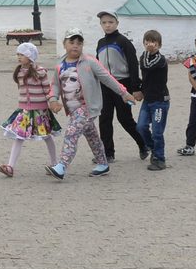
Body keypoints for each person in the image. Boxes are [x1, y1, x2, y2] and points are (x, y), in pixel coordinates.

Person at [46, 32, 137, 181]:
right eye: (72, 42)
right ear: (64, 44)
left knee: (72, 132)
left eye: (79, 43)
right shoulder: (60, 64)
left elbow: (107, 78)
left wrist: (124, 93)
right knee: (92, 135)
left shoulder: (89, 62)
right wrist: (53, 100)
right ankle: (102, 164)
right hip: (73, 109)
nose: (75, 45)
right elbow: (55, 84)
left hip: (87, 107)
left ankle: (61, 166)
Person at [94, 13, 150, 162]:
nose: (107, 25)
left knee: (125, 118)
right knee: (104, 119)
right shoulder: (100, 43)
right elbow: (97, 65)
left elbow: (133, 64)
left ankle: (143, 144)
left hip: (122, 84)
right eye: (104, 22)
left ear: (117, 23)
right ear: (101, 24)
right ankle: (108, 153)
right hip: (105, 85)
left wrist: (136, 87)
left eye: (111, 22)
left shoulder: (123, 41)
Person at [0, 42, 60, 177]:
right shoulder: (19, 72)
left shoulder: (40, 72)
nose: (19, 57)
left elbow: (47, 89)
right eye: (18, 54)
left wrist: (52, 103)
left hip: (40, 111)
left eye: (22, 54)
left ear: (30, 56)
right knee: (19, 137)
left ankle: (55, 163)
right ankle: (10, 167)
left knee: (46, 136)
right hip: (25, 111)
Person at [136, 30, 171, 170]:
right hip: (148, 99)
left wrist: (148, 52)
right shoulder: (143, 56)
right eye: (147, 42)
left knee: (157, 131)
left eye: (154, 43)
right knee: (141, 126)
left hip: (160, 101)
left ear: (159, 45)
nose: (150, 45)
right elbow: (143, 63)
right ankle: (153, 148)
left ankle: (160, 159)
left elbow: (148, 66)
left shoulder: (160, 59)